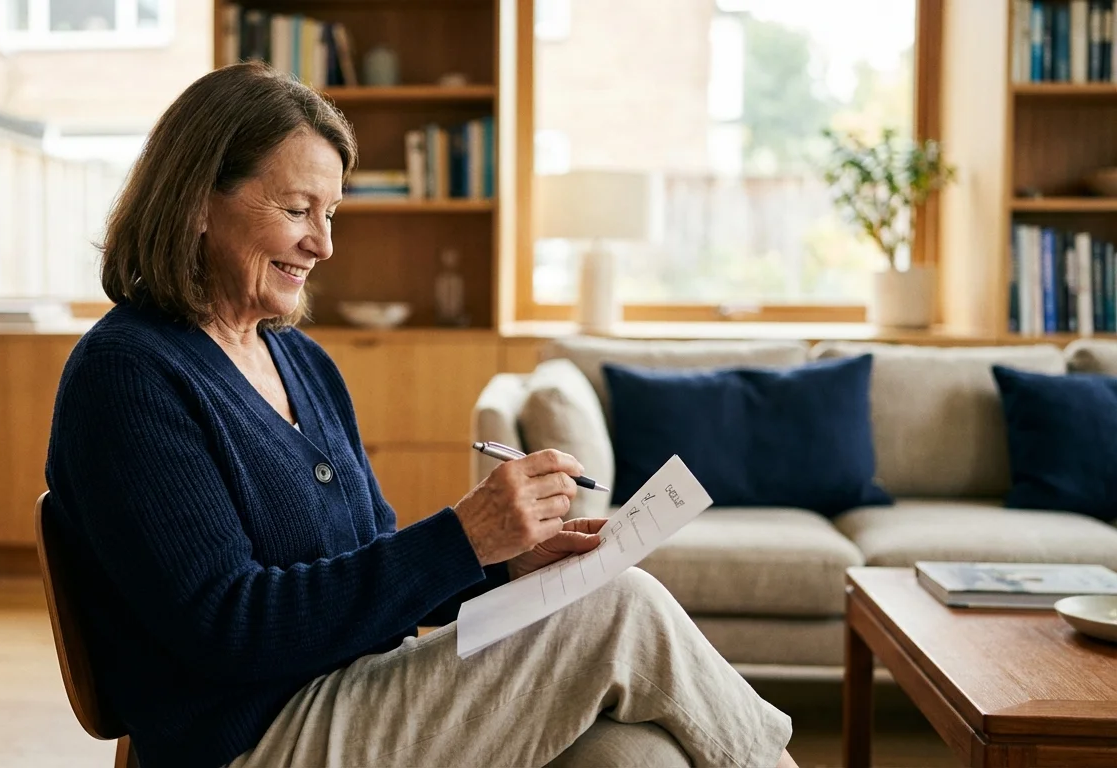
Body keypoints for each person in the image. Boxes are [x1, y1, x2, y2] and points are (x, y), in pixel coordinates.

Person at [45, 60, 796, 768]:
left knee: (639, 757)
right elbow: (229, 627)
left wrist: (503, 565)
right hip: (249, 735)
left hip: (358, 685)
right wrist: (462, 539)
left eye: (331, 212)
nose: (324, 243)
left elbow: (368, 563)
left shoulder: (300, 361)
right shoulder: (128, 378)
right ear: (199, 201)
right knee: (620, 609)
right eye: (298, 209)